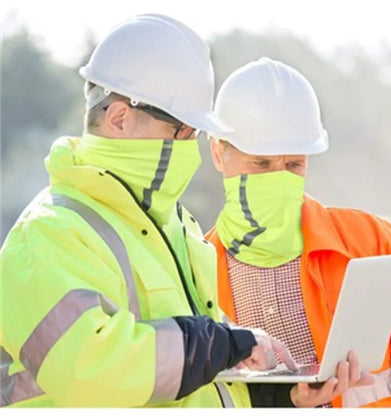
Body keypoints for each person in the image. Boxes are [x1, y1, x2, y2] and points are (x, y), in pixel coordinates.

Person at [0, 16, 296, 408]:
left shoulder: (177, 227)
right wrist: (218, 344)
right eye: (184, 131)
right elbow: (90, 367)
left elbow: (196, 370)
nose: (191, 146)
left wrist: (277, 395)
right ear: (120, 118)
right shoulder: (48, 233)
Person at [206, 57, 391, 408]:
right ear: (217, 152)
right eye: (260, 163)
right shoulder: (197, 266)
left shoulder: (373, 242)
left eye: (293, 165)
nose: (278, 176)